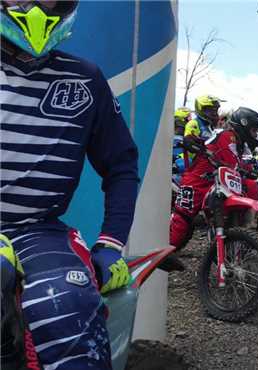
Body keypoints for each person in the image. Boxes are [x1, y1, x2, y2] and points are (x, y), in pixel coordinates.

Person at [0, 1, 139, 368]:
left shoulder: (85, 79)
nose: (31, 7)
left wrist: (111, 243)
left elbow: (121, 165)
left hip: (36, 231)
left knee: (68, 303)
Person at [169, 107, 258, 249]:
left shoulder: (237, 141)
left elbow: (237, 162)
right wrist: (244, 169)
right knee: (182, 219)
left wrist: (249, 170)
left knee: (252, 185)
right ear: (244, 126)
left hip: (217, 180)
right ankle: (165, 254)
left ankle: (239, 234)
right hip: (199, 179)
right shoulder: (227, 136)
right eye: (254, 131)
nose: (255, 136)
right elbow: (230, 161)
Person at [173, 107, 192, 179]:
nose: (191, 120)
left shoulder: (183, 137)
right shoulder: (177, 139)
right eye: (189, 118)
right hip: (178, 176)